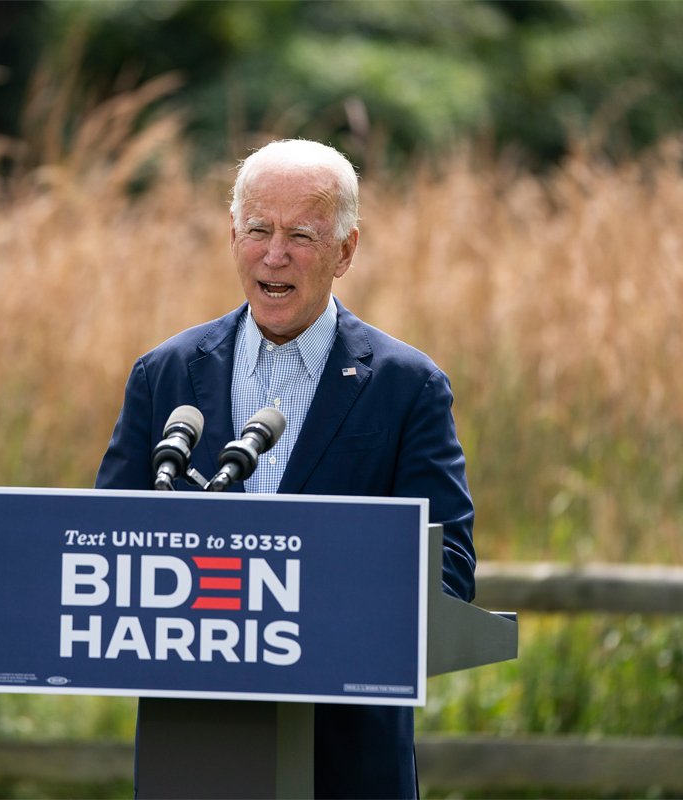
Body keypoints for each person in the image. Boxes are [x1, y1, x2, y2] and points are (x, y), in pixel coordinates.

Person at [95, 138, 477, 799]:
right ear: (232, 237)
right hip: (194, 752)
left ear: (345, 251)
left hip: (349, 762)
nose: (275, 255)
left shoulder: (406, 387)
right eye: (258, 231)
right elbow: (110, 556)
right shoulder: (164, 375)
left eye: (301, 235)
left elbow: (448, 573)